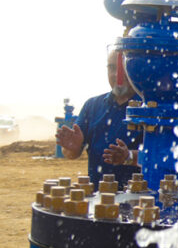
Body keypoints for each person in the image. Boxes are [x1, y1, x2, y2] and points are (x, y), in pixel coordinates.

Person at [55, 49, 142, 186]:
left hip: (139, 201)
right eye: (112, 68)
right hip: (98, 200)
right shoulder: (92, 106)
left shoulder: (149, 109)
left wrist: (129, 157)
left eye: (124, 68)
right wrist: (72, 148)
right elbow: (72, 154)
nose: (116, 75)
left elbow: (160, 157)